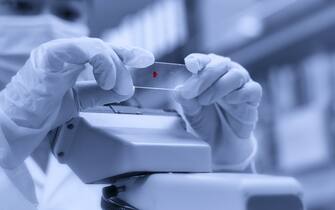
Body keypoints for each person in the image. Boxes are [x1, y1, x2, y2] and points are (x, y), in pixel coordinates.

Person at [0, 0, 262, 209]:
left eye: (68, 13)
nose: (47, 25)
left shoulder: (124, 143)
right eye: (21, 6)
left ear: (87, 29)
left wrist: (226, 167)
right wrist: (6, 134)